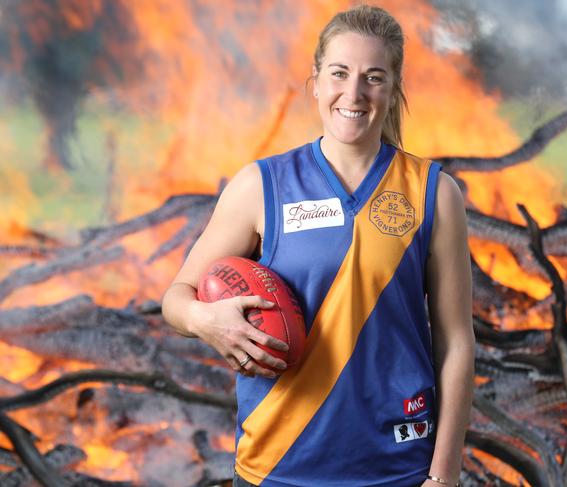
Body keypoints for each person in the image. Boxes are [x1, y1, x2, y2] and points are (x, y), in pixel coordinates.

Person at [161, 5, 474, 487]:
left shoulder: (433, 192)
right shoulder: (260, 186)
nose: (354, 93)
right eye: (339, 73)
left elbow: (455, 343)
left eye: (374, 77)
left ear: (393, 90)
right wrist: (207, 321)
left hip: (396, 467)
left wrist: (445, 474)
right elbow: (176, 298)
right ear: (315, 82)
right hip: (278, 466)